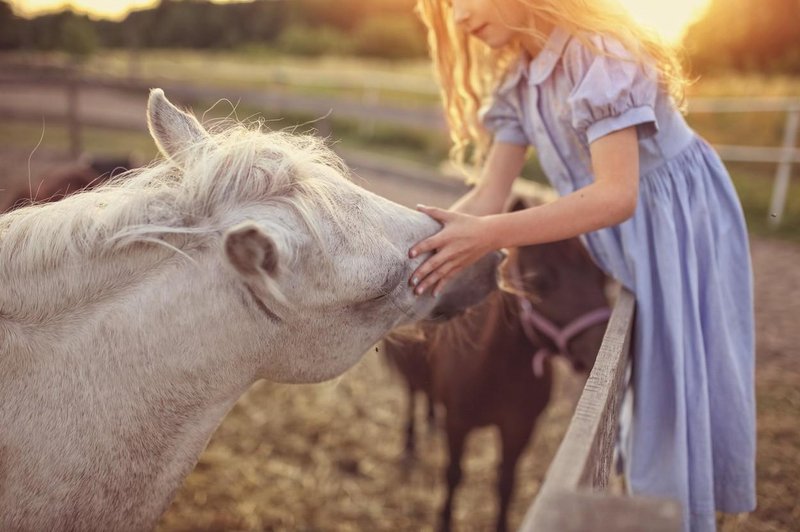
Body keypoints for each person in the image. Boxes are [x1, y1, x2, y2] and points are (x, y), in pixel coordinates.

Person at [406, 1, 756, 530]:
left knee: (679, 395)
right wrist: (409, 249)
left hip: (679, 229)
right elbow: (490, 195)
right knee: (649, 388)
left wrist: (488, 236)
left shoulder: (600, 55)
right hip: (631, 243)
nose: (456, 18)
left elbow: (616, 196)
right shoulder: (522, 80)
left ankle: (680, 515)